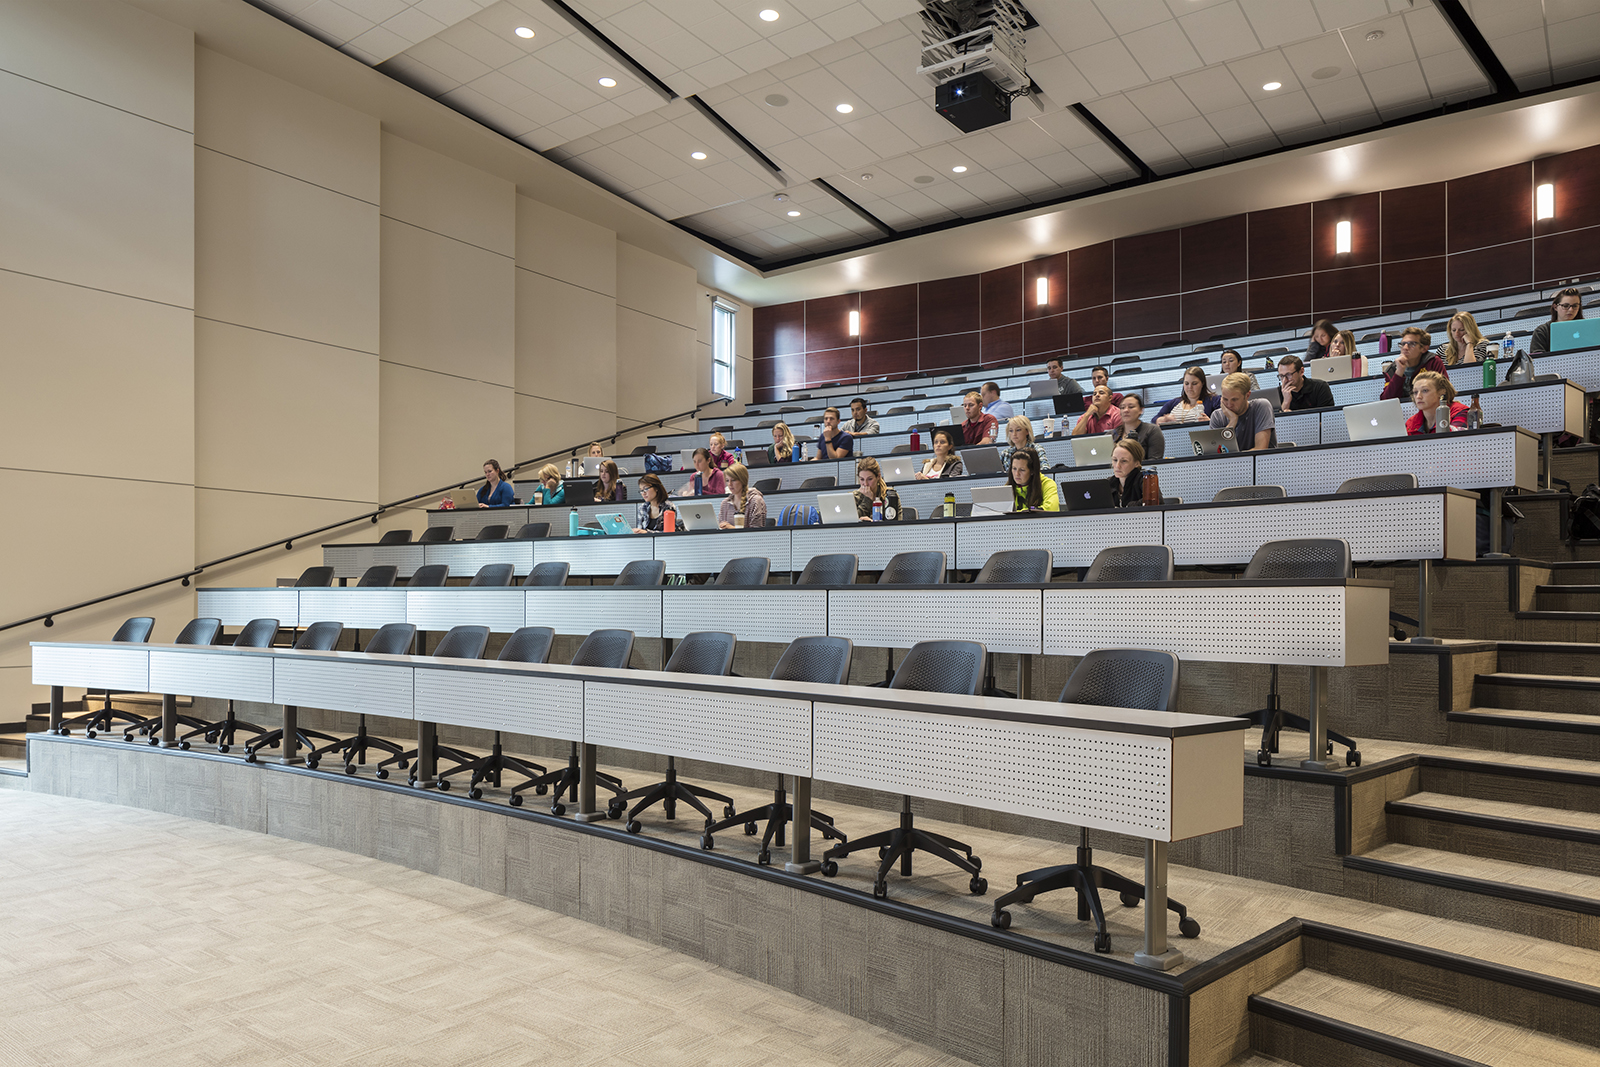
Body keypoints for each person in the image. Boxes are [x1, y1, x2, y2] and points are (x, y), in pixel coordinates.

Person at [1211, 372, 1276, 450]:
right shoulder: (1217, 416)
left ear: (1247, 395)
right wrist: (1232, 422)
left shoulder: (1261, 406)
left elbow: (1260, 449)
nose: (1229, 404)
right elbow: (1218, 454)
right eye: (1225, 399)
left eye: (1234, 400)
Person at [1380, 327, 1449, 400]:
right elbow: (1386, 400)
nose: (1405, 348)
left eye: (1412, 344)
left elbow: (1445, 391)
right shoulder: (1392, 369)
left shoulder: (1433, 362)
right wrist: (1399, 373)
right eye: (1403, 344)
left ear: (1424, 348)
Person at [1406, 370, 1469, 434]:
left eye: (1425, 390)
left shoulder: (1460, 412)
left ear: (1441, 392)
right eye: (1415, 392)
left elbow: (1454, 440)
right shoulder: (1410, 423)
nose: (1418, 396)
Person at [1154, 367, 1219, 425]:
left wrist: (1210, 422)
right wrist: (1162, 420)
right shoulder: (1173, 403)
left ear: (1202, 383)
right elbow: (1154, 420)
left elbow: (1223, 421)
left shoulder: (1214, 401)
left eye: (1194, 384)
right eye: (1186, 383)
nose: (1190, 387)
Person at [1532, 287, 1584, 354]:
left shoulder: (1586, 328)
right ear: (1555, 307)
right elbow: (1538, 360)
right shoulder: (1542, 331)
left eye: (1575, 306)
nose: (1571, 310)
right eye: (1565, 306)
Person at [1006, 448, 1059, 512]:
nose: (1017, 474)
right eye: (1014, 469)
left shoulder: (1047, 484)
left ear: (1032, 471)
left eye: (1022, 470)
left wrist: (1023, 512)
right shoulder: (1007, 488)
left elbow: (1051, 509)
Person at [1111, 394, 1164, 459]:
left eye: (1131, 407)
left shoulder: (1152, 430)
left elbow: (1155, 460)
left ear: (1141, 410)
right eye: (1122, 407)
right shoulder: (1111, 434)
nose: (1126, 410)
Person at [718, 463, 767, 529]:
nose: (729, 484)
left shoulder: (756, 501)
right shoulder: (725, 503)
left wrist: (732, 528)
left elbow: (756, 534)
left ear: (742, 480)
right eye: (727, 480)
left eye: (733, 480)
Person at [1107, 439, 1147, 508]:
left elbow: (1154, 500)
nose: (1117, 466)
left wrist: (1128, 507)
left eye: (1124, 461)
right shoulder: (1108, 483)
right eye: (1115, 460)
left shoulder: (1145, 479)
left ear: (1137, 463)